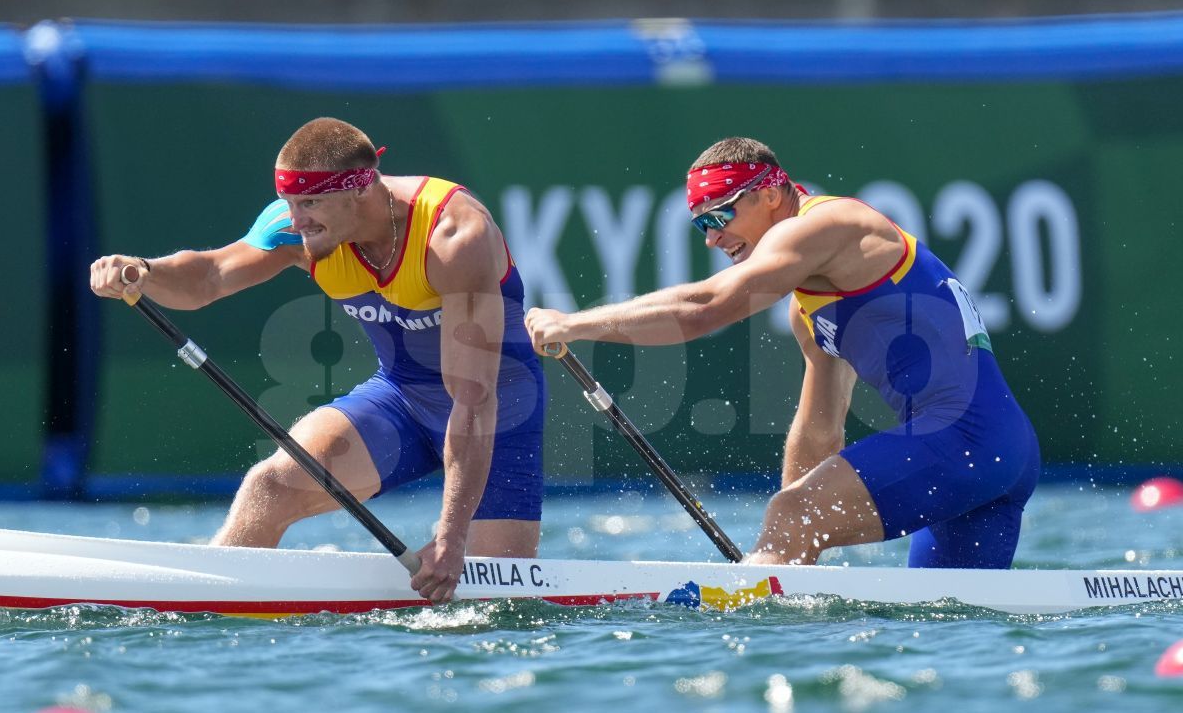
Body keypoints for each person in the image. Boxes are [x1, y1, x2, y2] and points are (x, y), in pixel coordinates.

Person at [525, 137, 1039, 569]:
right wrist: (788, 562)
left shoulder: (830, 224)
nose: (713, 238)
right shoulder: (808, 311)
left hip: (962, 439)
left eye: (721, 215)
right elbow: (820, 430)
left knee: (793, 516)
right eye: (701, 224)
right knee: (948, 629)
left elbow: (708, 306)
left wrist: (574, 322)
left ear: (771, 193)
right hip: (998, 453)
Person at [91, 117, 545, 602]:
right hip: (401, 398)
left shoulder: (454, 235)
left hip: (496, 416)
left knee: (494, 602)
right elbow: (210, 276)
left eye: (309, 203)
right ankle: (204, 616)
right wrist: (144, 272)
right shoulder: (297, 232)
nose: (295, 219)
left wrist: (451, 539)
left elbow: (474, 400)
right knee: (270, 486)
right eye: (288, 203)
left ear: (361, 188)